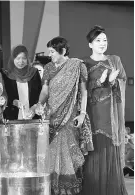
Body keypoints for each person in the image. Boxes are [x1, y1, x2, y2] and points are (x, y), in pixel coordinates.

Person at [31, 36, 93, 195]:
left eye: (52, 52)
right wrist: (39, 104)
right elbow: (45, 91)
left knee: (66, 155)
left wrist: (82, 113)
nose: (49, 55)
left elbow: (84, 92)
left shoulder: (77, 66)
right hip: (51, 116)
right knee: (51, 153)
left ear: (63, 51)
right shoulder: (49, 68)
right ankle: (52, 189)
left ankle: (67, 190)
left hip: (69, 116)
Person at [81, 25, 128, 195]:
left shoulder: (115, 60)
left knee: (110, 150)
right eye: (98, 40)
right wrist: (100, 81)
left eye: (105, 40)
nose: (102, 43)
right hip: (93, 115)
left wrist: (114, 81)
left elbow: (122, 83)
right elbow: (82, 90)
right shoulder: (84, 63)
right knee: (94, 154)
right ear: (90, 44)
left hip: (111, 115)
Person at [1, 44, 42, 120]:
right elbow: (4, 95)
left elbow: (40, 93)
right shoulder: (6, 74)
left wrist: (35, 107)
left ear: (27, 59)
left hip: (32, 117)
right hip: (12, 117)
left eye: (24, 58)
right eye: (18, 58)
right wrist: (14, 102)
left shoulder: (34, 73)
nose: (21, 61)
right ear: (13, 59)